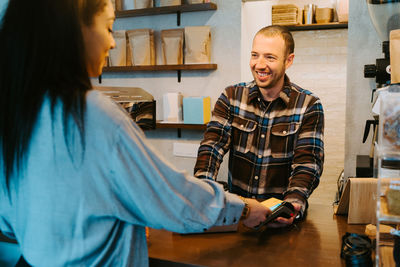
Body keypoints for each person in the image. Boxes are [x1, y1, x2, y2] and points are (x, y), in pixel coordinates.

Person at [0, 0, 271, 266]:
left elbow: (9, 222)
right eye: (107, 28)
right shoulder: (95, 115)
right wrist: (243, 208)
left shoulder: (15, 114)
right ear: (74, 30)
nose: (113, 42)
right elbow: (171, 196)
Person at [194, 25, 324, 225]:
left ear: (288, 60)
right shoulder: (231, 97)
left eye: (270, 57)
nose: (259, 64)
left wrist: (293, 203)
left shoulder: (308, 105)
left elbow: (307, 163)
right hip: (240, 214)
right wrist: (203, 189)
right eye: (255, 55)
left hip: (280, 217)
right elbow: (212, 147)